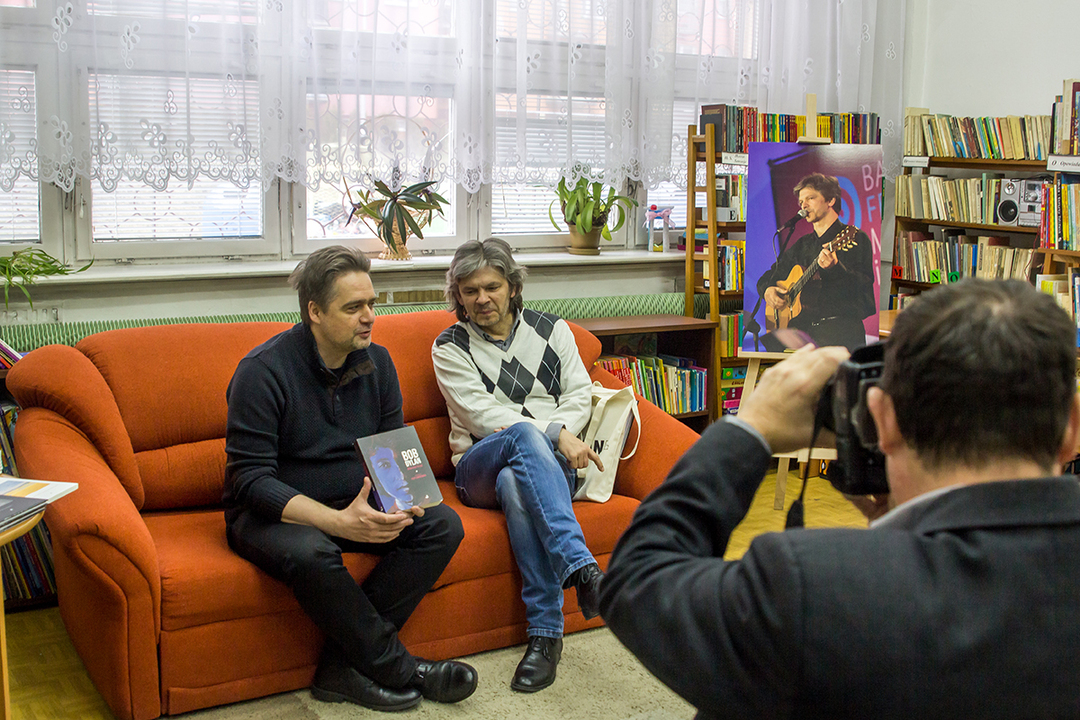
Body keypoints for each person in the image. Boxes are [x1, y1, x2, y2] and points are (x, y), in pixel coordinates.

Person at [600, 278, 1080, 719]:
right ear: (1073, 426)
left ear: (882, 420)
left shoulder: (813, 588)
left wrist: (750, 429)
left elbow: (638, 581)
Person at [223, 245, 478, 712]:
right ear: (315, 312)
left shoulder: (378, 362)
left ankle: (340, 668)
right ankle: (402, 668)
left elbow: (392, 448)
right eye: (353, 307)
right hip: (273, 514)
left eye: (371, 304)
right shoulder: (262, 372)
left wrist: (404, 501)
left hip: (354, 500)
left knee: (442, 525)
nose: (369, 317)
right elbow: (251, 480)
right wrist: (338, 523)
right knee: (313, 551)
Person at [431, 237, 605, 693]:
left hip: (540, 469)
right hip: (477, 467)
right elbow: (480, 414)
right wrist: (554, 433)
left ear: (512, 286)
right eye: (470, 291)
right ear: (458, 295)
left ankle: (546, 637)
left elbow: (579, 394)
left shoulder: (553, 330)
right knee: (522, 437)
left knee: (516, 480)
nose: (482, 299)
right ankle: (582, 568)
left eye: (491, 287)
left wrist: (555, 435)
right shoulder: (449, 346)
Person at [757, 172, 876, 351]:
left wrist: (835, 268)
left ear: (830, 200)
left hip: (841, 335)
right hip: (805, 335)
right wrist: (767, 290)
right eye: (801, 202)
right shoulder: (802, 245)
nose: (803, 205)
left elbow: (863, 287)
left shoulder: (855, 238)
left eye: (810, 198)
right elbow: (769, 276)